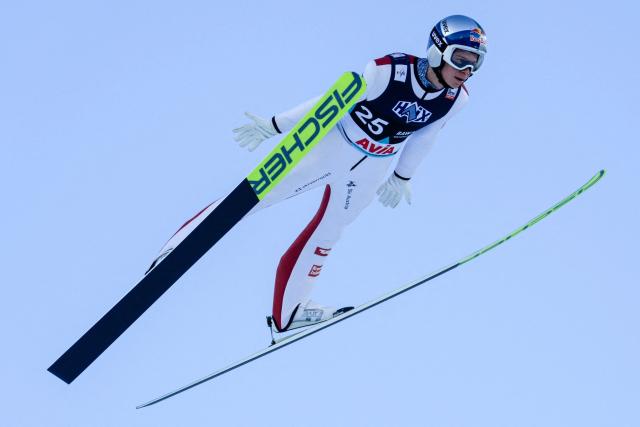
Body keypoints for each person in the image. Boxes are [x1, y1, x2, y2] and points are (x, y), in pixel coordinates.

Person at [155, 15, 487, 334]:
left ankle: (291, 311)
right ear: (436, 50)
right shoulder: (388, 71)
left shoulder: (455, 100)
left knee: (330, 233)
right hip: (334, 144)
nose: (467, 70)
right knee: (255, 197)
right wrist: (276, 125)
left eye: (475, 63)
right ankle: (175, 250)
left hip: (373, 166)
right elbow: (330, 101)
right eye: (460, 59)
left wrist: (402, 177)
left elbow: (426, 136)